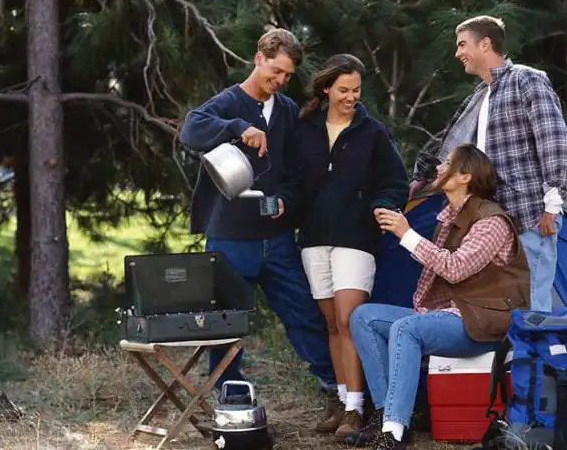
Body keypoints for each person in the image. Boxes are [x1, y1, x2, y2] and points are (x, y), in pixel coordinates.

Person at [178, 28, 336, 395]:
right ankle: (229, 394)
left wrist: (286, 199)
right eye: (275, 71)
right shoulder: (228, 103)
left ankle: (336, 390)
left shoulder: (287, 111)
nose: (279, 81)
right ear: (259, 58)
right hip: (230, 237)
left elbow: (295, 174)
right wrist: (237, 127)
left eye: (287, 76)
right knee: (224, 322)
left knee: (304, 314)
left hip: (277, 238)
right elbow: (191, 129)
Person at [348, 144, 530, 449]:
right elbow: (433, 275)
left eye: (447, 163)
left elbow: (456, 268)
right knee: (363, 317)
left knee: (407, 329)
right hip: (454, 315)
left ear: (465, 176)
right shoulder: (449, 216)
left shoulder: (491, 221)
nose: (439, 168)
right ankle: (385, 414)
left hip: (485, 322)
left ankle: (394, 435)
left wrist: (406, 234)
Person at [410, 15, 567, 312]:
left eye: (462, 45)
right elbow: (452, 147)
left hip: (528, 215)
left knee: (532, 303)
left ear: (485, 44)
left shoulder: (527, 79)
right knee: (502, 307)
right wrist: (419, 182)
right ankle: (509, 360)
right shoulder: (480, 96)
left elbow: (553, 137)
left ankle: (534, 359)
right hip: (491, 222)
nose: (457, 53)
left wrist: (552, 203)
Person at [296, 54, 409, 438]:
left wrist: (381, 206)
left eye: (356, 90)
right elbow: (291, 181)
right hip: (313, 238)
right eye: (343, 90)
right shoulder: (305, 128)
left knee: (348, 319)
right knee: (330, 322)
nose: (351, 97)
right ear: (326, 89)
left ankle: (357, 410)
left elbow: (396, 183)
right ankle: (344, 401)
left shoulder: (372, 132)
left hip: (356, 238)